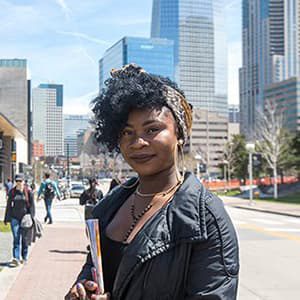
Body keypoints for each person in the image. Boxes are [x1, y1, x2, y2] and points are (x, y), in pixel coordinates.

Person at [65, 64, 239, 300]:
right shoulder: (108, 207)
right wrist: (83, 289)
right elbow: (94, 271)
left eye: (152, 129)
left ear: (178, 135)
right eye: (127, 132)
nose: (138, 142)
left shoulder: (206, 218)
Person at [4, 174, 35, 266]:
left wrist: (32, 217)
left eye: (20, 181)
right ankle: (16, 258)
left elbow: (32, 206)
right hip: (14, 218)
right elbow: (9, 205)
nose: (19, 183)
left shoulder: (28, 192)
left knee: (24, 239)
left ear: (24, 181)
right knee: (16, 237)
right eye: (17, 181)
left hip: (25, 218)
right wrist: (6, 218)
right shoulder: (12, 192)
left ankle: (24, 257)